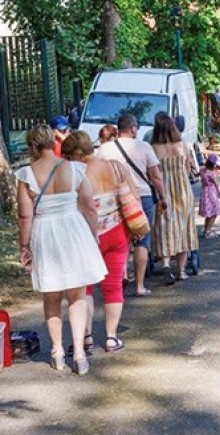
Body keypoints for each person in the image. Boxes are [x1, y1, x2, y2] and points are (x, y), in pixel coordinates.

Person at [15, 125, 107, 375]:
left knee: (52, 297)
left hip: (44, 233)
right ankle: (78, 352)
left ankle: (56, 352)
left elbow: (25, 215)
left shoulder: (25, 174)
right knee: (77, 295)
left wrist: (24, 246)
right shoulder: (75, 168)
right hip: (73, 230)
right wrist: (93, 236)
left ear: (33, 146)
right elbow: (89, 207)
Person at [62, 130, 139, 353]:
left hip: (86, 236)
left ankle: (86, 337)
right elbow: (133, 197)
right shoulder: (116, 166)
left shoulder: (75, 173)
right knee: (113, 286)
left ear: (74, 154)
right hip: (116, 233)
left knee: (84, 289)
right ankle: (111, 338)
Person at [97, 113, 166, 297]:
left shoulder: (104, 149)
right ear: (133, 128)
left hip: (113, 198)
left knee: (122, 239)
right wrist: (163, 196)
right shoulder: (143, 147)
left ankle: (122, 274)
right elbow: (156, 176)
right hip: (140, 197)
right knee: (142, 240)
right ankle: (140, 285)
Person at [150, 112, 199, 284]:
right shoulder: (182, 144)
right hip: (182, 188)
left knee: (164, 224)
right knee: (183, 224)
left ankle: (164, 263)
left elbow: (152, 172)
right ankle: (181, 271)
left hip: (162, 188)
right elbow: (187, 168)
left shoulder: (153, 147)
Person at [199, 154, 220, 238]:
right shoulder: (211, 174)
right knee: (213, 213)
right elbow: (217, 185)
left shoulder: (203, 170)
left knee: (209, 213)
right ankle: (208, 232)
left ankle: (206, 230)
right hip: (211, 194)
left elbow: (197, 174)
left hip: (204, 193)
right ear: (214, 164)